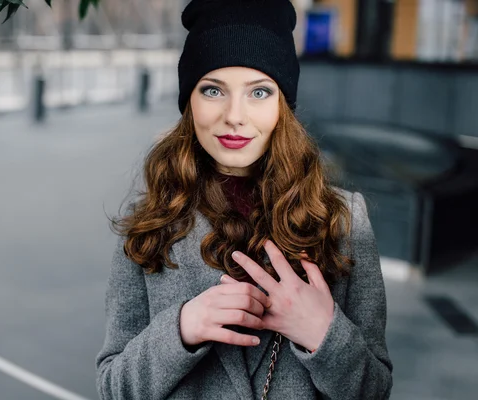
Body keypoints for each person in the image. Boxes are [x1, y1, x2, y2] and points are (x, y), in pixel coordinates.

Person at [95, 0, 393, 399]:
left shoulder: (342, 219)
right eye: (214, 89)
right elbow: (114, 388)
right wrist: (181, 328)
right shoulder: (148, 224)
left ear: (282, 106)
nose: (235, 115)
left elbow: (373, 390)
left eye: (259, 91)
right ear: (189, 102)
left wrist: (323, 334)